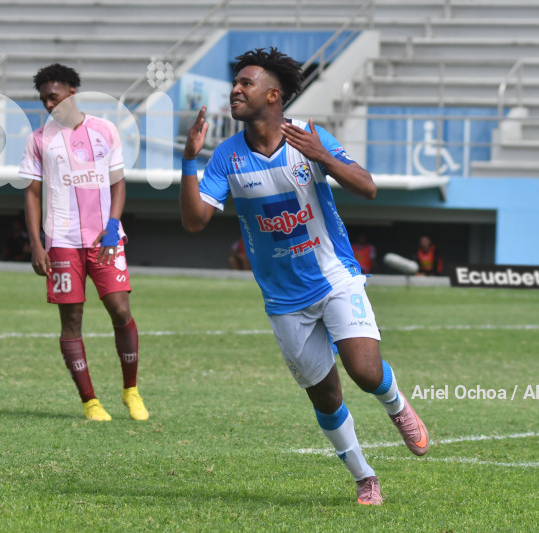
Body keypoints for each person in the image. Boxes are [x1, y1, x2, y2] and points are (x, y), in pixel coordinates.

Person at [180, 48, 429, 506]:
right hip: (283, 299)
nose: (235, 90)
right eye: (235, 83)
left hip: (334, 277)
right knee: (326, 396)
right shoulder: (227, 157)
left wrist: (323, 156)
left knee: (364, 370)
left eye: (246, 83)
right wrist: (189, 162)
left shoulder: (309, 137)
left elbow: (367, 187)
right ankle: (364, 477)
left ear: (273, 95)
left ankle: (396, 405)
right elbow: (195, 221)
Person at [18, 63, 148, 421]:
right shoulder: (39, 140)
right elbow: (32, 193)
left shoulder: (105, 130)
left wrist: (113, 226)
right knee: (71, 320)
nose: (48, 104)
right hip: (61, 242)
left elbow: (118, 183)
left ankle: (131, 390)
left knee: (120, 310)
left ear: (72, 92)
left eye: (53, 96)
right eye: (44, 99)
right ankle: (90, 402)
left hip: (105, 239)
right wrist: (36, 244)